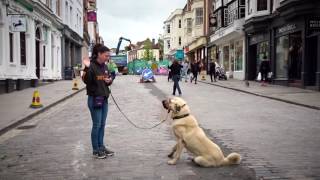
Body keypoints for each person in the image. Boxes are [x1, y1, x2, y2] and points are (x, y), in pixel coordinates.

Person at [82, 44, 115, 159]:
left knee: (102, 125)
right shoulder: (90, 66)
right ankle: (96, 150)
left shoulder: (104, 67)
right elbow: (86, 80)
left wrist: (109, 80)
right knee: (96, 125)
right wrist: (86, 68)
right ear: (99, 54)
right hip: (95, 99)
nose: (107, 58)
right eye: (106, 55)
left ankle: (101, 147)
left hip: (104, 99)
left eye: (108, 56)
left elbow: (108, 78)